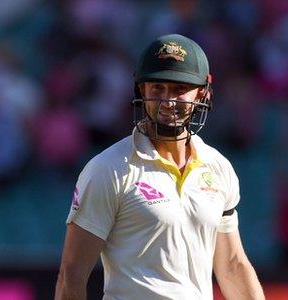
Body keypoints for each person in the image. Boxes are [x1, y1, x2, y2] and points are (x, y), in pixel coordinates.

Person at [54, 34, 265, 299]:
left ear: (201, 92)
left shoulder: (218, 167)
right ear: (142, 90)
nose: (168, 101)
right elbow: (71, 275)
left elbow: (232, 266)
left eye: (179, 89)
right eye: (157, 88)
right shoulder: (107, 169)